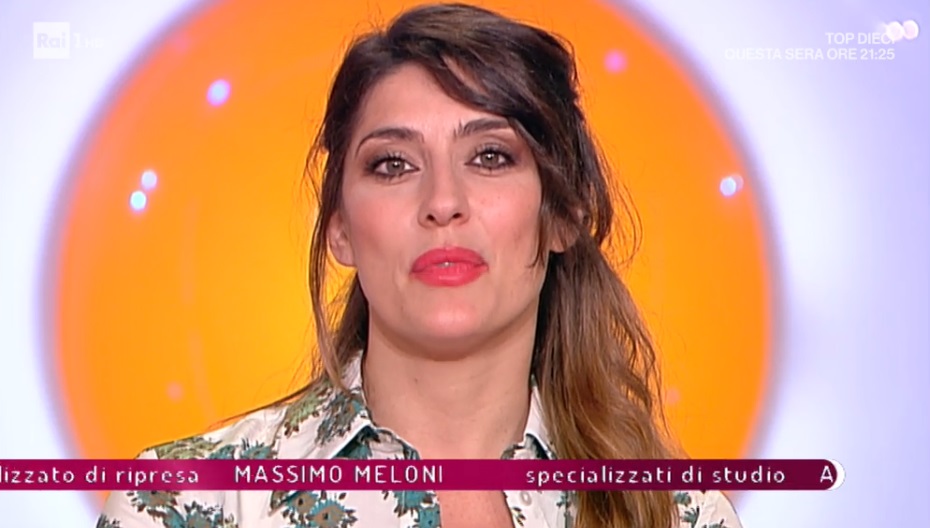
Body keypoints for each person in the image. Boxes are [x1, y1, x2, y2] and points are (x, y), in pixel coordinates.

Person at [96, 3, 743, 527]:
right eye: (393, 164)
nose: (442, 202)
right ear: (340, 227)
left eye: (490, 157)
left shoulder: (681, 516)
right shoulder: (179, 504)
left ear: (561, 214)